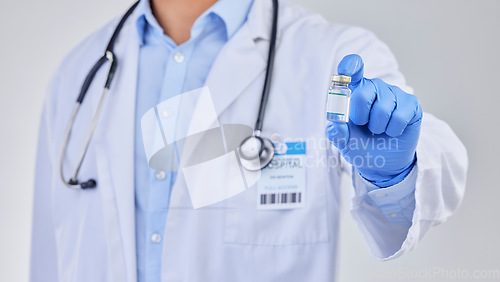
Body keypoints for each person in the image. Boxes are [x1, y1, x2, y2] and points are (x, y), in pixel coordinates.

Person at [30, 0, 468, 281]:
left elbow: (426, 165)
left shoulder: (327, 55)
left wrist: (394, 172)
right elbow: (50, 258)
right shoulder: (78, 73)